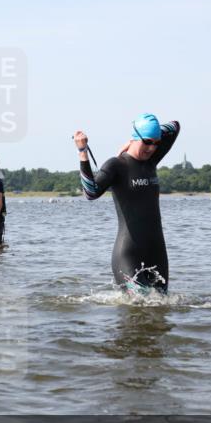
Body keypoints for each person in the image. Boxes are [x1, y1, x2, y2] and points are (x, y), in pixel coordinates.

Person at [76, 113, 181, 293]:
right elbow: (90, 193)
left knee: (162, 305)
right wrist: (82, 152)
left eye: (156, 143)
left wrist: (145, 137)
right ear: (135, 137)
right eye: (147, 142)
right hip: (128, 254)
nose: (152, 148)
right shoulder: (116, 165)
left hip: (157, 251)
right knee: (138, 303)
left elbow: (175, 126)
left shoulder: (152, 159)